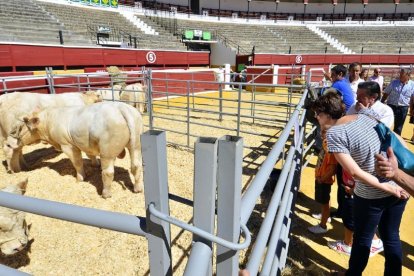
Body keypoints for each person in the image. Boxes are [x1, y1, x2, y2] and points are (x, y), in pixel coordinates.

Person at [312, 93, 408, 276]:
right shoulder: (364, 115)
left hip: (375, 191)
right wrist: (396, 180)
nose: (316, 117)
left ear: (327, 114)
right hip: (399, 184)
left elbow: (355, 171)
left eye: (318, 113)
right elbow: (395, 137)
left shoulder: (333, 134)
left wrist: (387, 187)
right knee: (391, 236)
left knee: (363, 238)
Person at [328, 82, 393, 257]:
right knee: (352, 205)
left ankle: (367, 242)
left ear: (373, 98)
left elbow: (380, 138)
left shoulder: (385, 112)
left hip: (370, 169)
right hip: (354, 164)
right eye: (357, 94)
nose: (357, 99)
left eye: (361, 96)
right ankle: (369, 240)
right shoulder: (355, 108)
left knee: (364, 215)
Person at [308, 126, 337, 234]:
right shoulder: (326, 143)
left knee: (324, 202)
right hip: (322, 177)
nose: (321, 133)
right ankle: (326, 216)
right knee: (325, 201)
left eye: (324, 132)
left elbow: (332, 168)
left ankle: (322, 225)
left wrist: (322, 178)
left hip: (324, 180)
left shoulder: (331, 148)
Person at [381, 68, 414, 135]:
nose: (400, 75)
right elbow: (386, 93)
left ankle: (395, 143)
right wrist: (381, 103)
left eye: (402, 74)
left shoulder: (412, 85)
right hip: (391, 106)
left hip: (403, 108)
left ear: (408, 75)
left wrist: (412, 109)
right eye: (400, 74)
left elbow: (413, 98)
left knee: (398, 128)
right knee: (386, 124)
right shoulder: (394, 82)